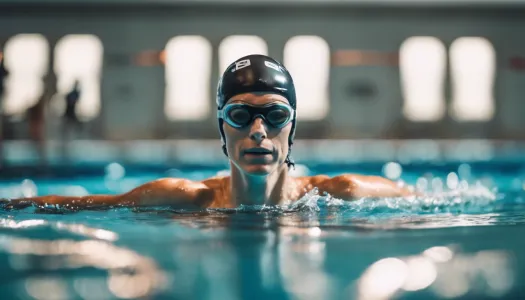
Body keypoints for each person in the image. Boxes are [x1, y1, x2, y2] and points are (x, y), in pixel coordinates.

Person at [1, 54, 413, 210]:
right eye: (239, 115)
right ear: (221, 127)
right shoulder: (187, 198)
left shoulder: (341, 191)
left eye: (273, 115)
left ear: (293, 126)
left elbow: (433, 201)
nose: (257, 131)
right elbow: (85, 204)